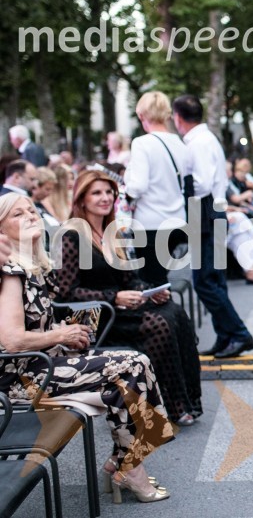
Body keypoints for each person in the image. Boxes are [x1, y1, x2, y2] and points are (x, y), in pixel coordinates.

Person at [0, 192, 172, 503]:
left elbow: (34, 324)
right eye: (17, 214)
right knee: (130, 366)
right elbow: (13, 340)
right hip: (24, 379)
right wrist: (60, 336)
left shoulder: (31, 267)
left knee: (138, 362)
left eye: (31, 210)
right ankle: (128, 466)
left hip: (45, 365)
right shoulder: (11, 273)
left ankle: (124, 461)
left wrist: (64, 330)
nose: (30, 216)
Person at [53, 169, 202, 425]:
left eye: (109, 192)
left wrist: (149, 291)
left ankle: (184, 399)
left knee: (174, 311)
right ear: (82, 199)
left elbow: (130, 277)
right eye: (96, 193)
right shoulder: (71, 236)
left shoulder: (114, 232)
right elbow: (66, 292)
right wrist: (115, 297)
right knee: (158, 325)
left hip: (118, 308)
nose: (105, 198)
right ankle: (163, 406)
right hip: (94, 314)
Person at [171, 94, 253, 359]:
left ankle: (239, 333)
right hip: (213, 211)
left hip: (204, 211)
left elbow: (202, 184)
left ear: (178, 117)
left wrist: (180, 189)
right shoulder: (207, 139)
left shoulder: (196, 143)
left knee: (205, 281)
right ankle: (226, 335)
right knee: (214, 280)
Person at [123, 91, 189, 287]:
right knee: (160, 279)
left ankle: (163, 317)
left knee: (152, 285)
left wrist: (126, 190)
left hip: (151, 224)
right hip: (177, 221)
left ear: (142, 115)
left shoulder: (142, 143)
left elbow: (138, 186)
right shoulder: (179, 143)